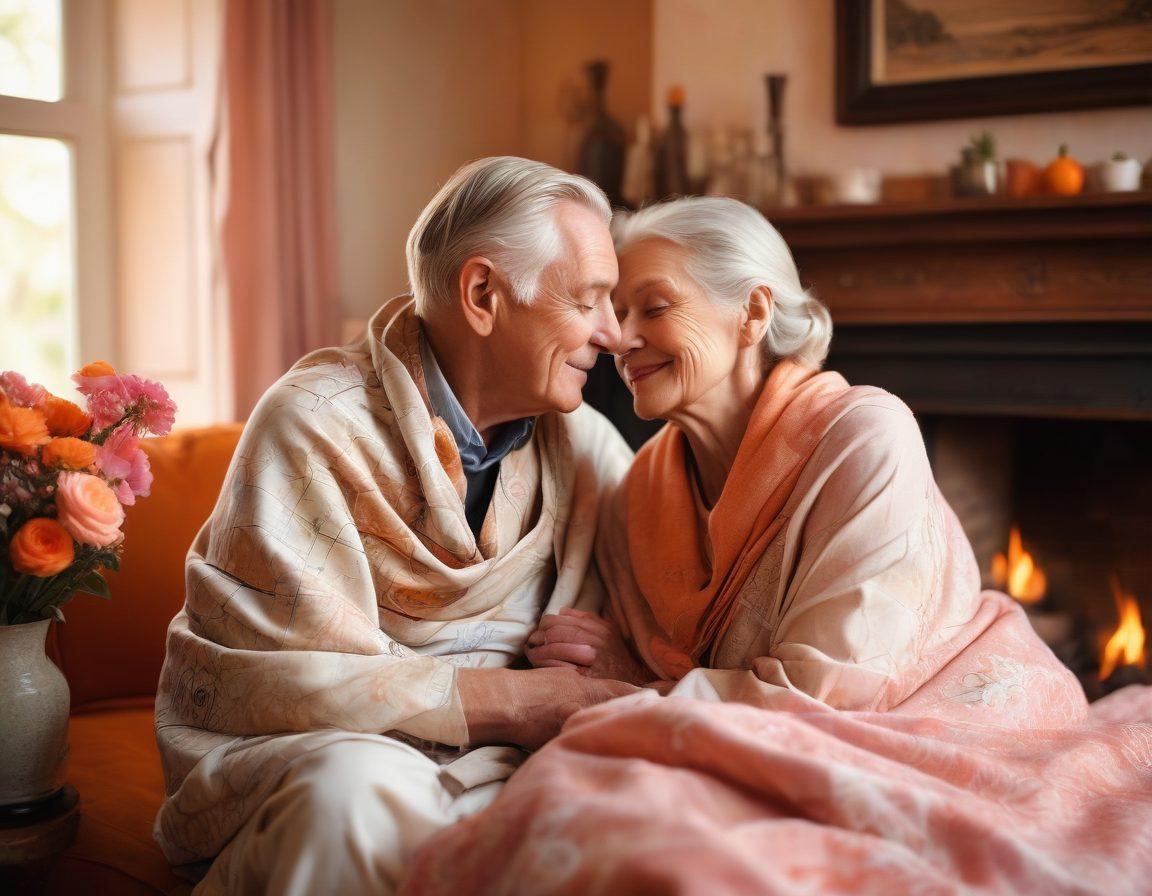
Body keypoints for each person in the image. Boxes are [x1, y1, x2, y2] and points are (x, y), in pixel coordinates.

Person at [153, 157, 639, 895]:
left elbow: (663, 629)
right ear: (484, 294)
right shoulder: (313, 423)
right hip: (329, 757)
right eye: (591, 300)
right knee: (350, 795)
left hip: (514, 762)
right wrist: (528, 701)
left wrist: (620, 662)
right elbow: (287, 686)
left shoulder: (585, 447)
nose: (613, 334)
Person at [527, 196, 1084, 725]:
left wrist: (624, 686)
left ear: (752, 312)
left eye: (655, 307)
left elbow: (827, 696)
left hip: (928, 713)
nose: (619, 339)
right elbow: (636, 659)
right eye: (616, 313)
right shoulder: (638, 490)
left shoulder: (863, 438)